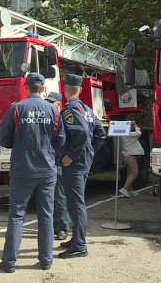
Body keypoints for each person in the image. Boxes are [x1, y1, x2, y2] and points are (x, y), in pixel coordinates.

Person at [0, 73, 66, 273]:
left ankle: (9, 262)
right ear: (43, 89)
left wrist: (18, 145)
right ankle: (46, 259)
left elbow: (2, 138)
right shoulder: (54, 110)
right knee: (46, 214)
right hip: (47, 169)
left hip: (22, 168)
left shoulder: (17, 108)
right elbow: (60, 140)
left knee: (17, 215)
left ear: (26, 87)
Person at [58, 74, 106, 259]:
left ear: (64, 89)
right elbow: (100, 134)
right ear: (81, 89)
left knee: (76, 203)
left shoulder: (70, 108)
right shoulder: (87, 109)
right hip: (84, 161)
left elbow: (82, 133)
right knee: (74, 201)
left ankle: (79, 245)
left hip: (75, 163)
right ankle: (76, 238)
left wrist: (71, 155)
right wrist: (89, 152)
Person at [46, 91, 70, 241]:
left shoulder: (63, 118)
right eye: (48, 101)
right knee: (49, 197)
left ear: (58, 103)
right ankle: (53, 226)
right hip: (47, 161)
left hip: (58, 161)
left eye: (52, 102)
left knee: (60, 196)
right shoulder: (47, 117)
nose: (49, 104)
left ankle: (62, 227)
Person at [119, 120, 144, 198]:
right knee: (134, 173)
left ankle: (130, 190)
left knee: (130, 173)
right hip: (130, 156)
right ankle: (124, 188)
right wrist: (135, 126)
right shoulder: (128, 135)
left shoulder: (125, 135)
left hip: (127, 156)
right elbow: (139, 133)